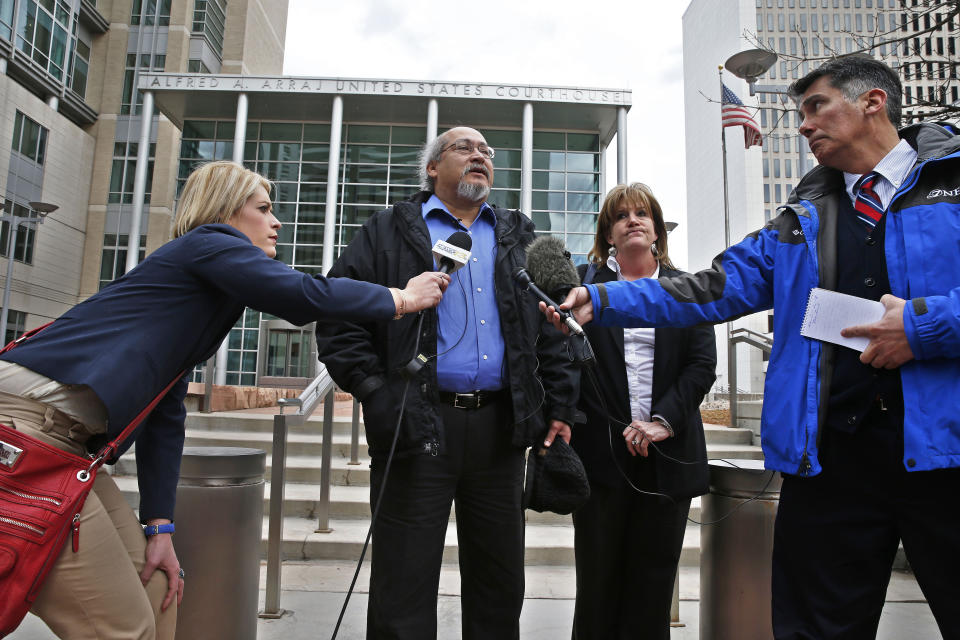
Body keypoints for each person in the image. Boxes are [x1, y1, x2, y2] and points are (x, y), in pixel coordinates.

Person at [544, 56, 960, 639]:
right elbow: (709, 289)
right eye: (800, 113)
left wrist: (925, 327)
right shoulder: (799, 220)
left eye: (817, 107)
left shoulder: (954, 184)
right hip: (829, 460)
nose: (805, 126)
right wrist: (604, 300)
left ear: (873, 103)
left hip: (946, 455)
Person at [0, 160, 447, 639]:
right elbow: (299, 294)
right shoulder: (210, 243)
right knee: (120, 628)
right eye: (264, 208)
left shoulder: (198, 289)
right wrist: (399, 298)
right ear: (227, 213)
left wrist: (160, 527)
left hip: (68, 448)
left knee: (157, 588)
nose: (277, 222)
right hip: (28, 434)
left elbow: (165, 415)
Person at [315, 126, 578, 639]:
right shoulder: (388, 231)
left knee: (499, 586)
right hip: (415, 427)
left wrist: (561, 406)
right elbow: (338, 316)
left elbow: (555, 326)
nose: (479, 156)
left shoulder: (519, 235)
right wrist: (377, 391)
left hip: (501, 429)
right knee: (403, 585)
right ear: (432, 168)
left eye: (487, 152)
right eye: (464, 148)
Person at [569, 183, 716, 640]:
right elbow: (560, 362)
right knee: (597, 586)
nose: (632, 220)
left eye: (642, 214)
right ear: (608, 234)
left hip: (666, 457)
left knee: (652, 589)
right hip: (599, 459)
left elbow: (700, 365)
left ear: (656, 230)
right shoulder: (583, 288)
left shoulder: (685, 288)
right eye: (621, 216)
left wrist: (662, 422)